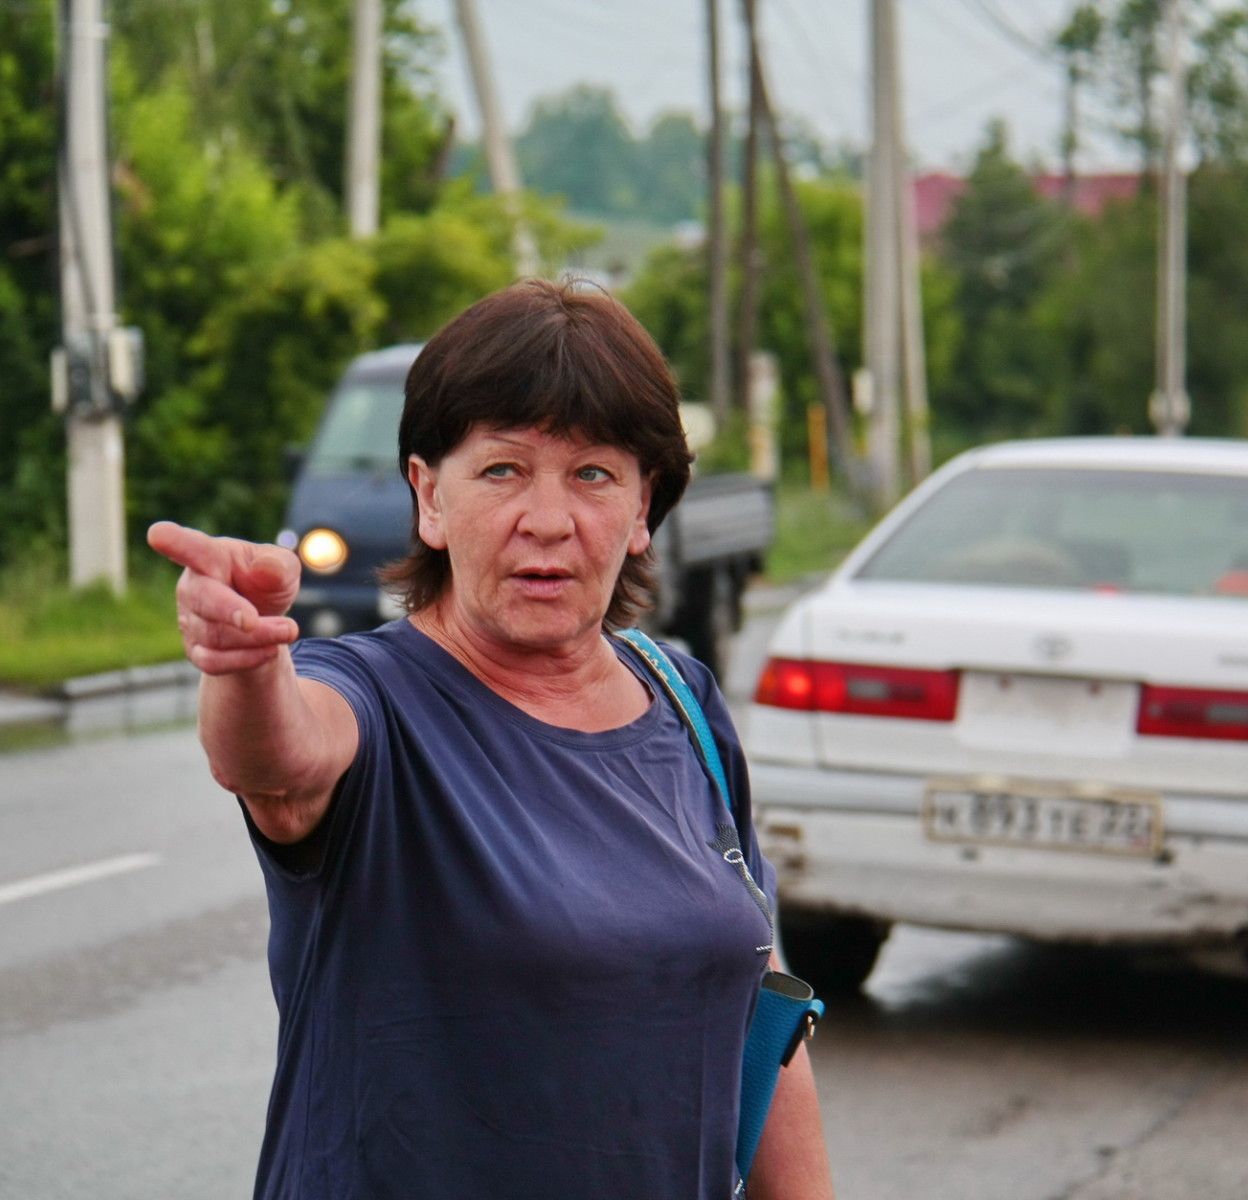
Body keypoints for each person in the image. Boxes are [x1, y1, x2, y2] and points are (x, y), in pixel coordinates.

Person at [149, 279, 834, 1200]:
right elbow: (275, 762)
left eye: (593, 474)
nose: (547, 520)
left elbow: (762, 997)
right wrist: (244, 664)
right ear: (429, 497)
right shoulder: (377, 703)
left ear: (643, 510)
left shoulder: (683, 700)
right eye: (503, 470)